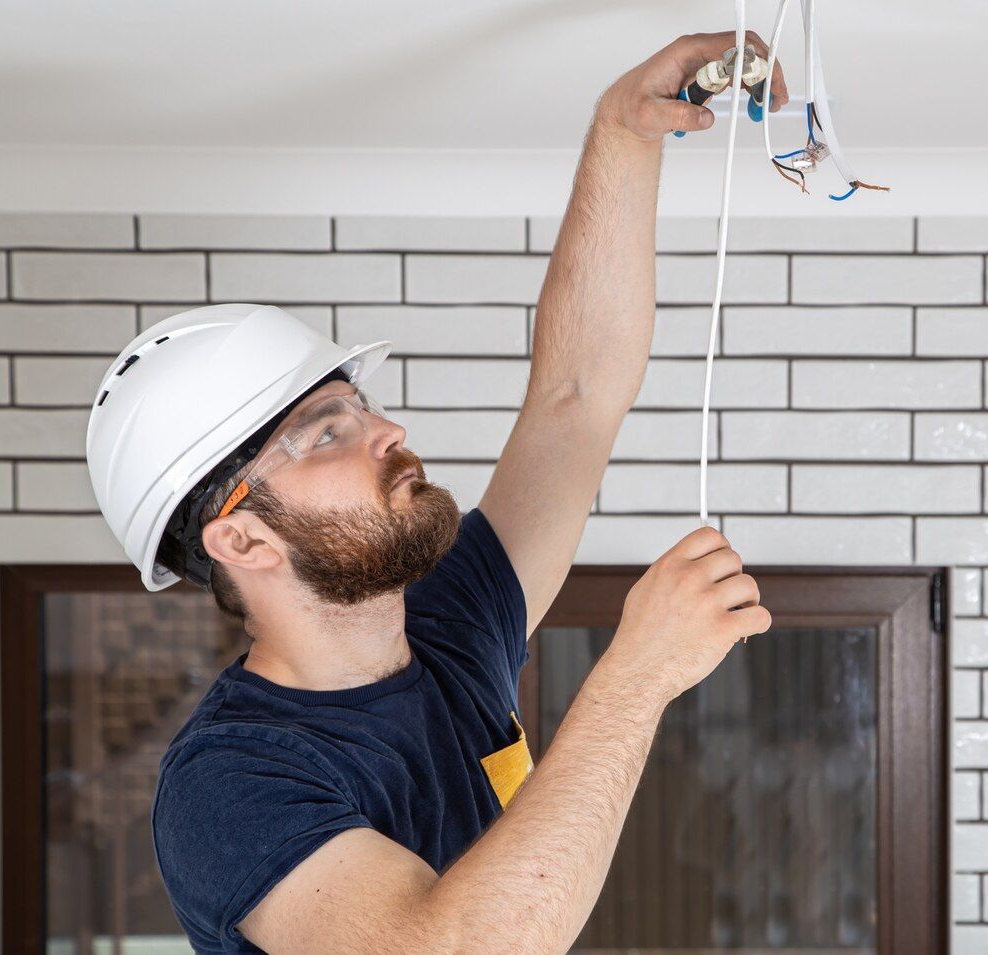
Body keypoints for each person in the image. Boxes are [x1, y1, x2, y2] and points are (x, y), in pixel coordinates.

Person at [83, 30, 789, 954]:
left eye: (361, 407)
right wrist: (639, 673)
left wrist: (623, 133)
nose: (389, 433)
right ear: (243, 539)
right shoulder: (233, 781)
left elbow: (573, 402)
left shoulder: (450, 624)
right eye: (327, 431)